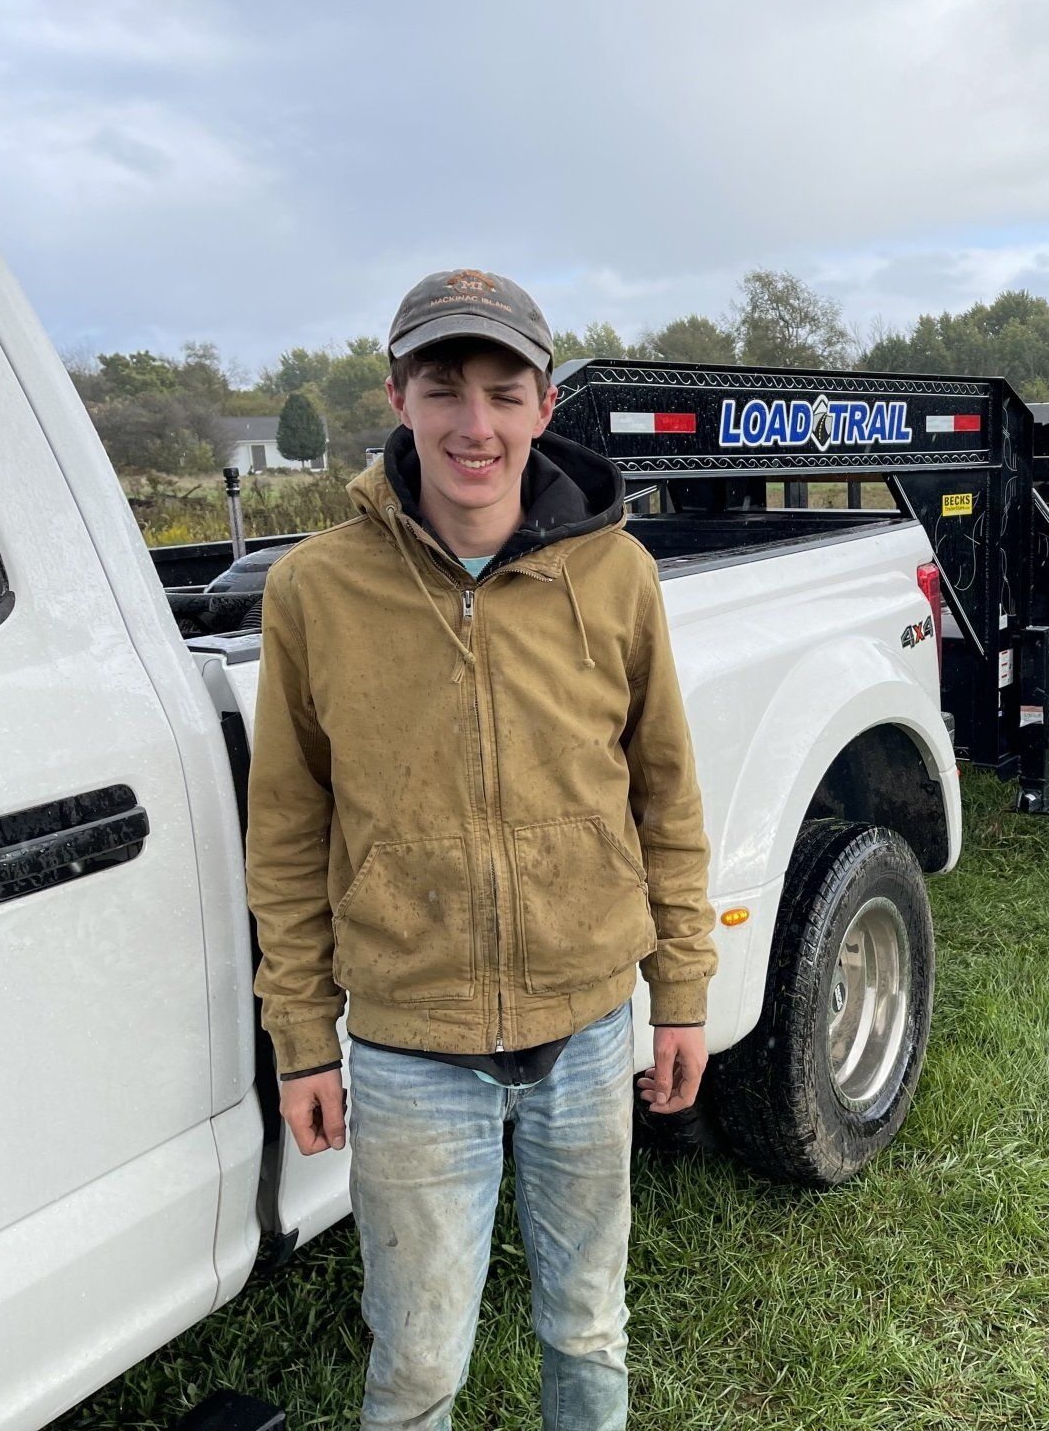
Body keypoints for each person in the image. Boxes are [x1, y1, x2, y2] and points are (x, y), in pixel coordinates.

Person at [245, 267, 717, 1431]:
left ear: (545, 408)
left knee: (590, 1331)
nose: (475, 424)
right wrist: (304, 1039)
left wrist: (683, 992)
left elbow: (666, 794)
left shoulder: (618, 576)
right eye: (444, 389)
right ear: (396, 396)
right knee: (416, 1372)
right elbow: (289, 833)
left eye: (504, 393)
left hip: (593, 1029)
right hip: (413, 1050)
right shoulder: (315, 591)